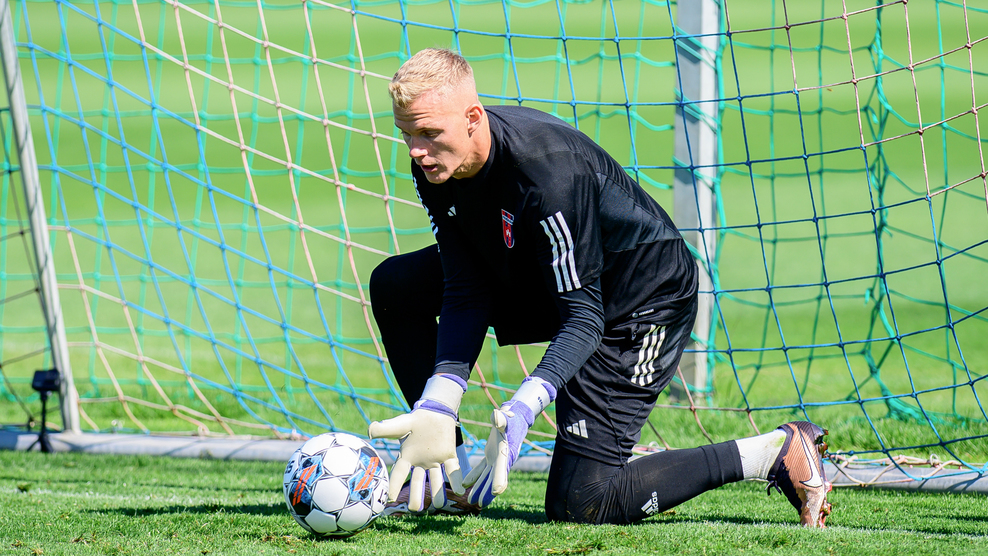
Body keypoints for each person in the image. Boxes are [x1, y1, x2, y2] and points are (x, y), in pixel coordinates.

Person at [367, 48, 832, 527]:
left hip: (639, 303)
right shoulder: (436, 164)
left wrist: (525, 405)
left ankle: (772, 451)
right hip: (549, 275)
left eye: (428, 133)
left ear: (472, 118)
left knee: (582, 502)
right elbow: (467, 286)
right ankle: (452, 479)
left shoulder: (545, 173)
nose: (416, 150)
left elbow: (583, 318)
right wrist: (440, 402)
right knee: (397, 286)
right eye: (406, 134)